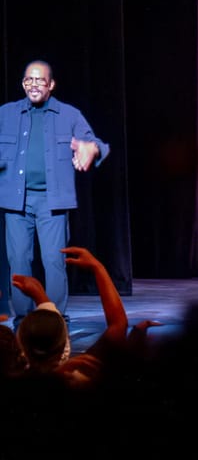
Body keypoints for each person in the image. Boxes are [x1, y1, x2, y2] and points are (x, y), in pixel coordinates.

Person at [0, 60, 110, 319]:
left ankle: (54, 318)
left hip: (52, 202)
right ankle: (24, 319)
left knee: (53, 261)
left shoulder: (69, 115)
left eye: (40, 80)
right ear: (23, 83)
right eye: (29, 80)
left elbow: (97, 144)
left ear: (51, 84)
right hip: (16, 202)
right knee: (18, 261)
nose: (34, 85)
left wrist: (92, 149)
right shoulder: (6, 113)